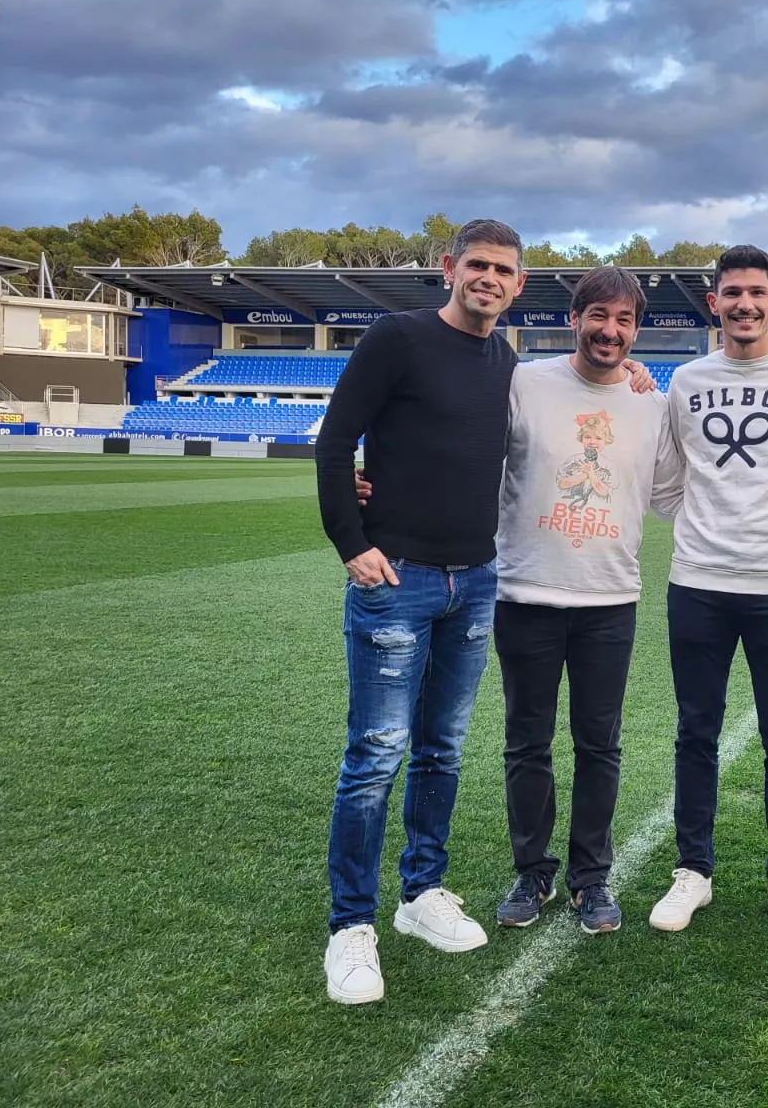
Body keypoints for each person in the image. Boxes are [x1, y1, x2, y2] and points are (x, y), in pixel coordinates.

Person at [314, 218, 525, 1005]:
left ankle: (420, 894)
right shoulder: (395, 339)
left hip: (473, 582)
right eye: (477, 264)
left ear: (518, 284)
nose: (489, 278)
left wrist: (637, 377)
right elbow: (336, 444)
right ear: (449, 268)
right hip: (394, 578)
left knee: (443, 749)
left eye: (503, 269)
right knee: (375, 753)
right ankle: (350, 927)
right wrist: (350, 540)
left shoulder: (505, 361)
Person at [648, 245, 768, 937]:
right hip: (697, 582)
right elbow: (668, 479)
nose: (745, 304)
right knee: (695, 730)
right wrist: (711, 525)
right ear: (715, 302)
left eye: (757, 292)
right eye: (732, 293)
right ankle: (692, 871)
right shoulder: (686, 381)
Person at [489, 265, 683, 935]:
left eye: (624, 319)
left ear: (636, 328)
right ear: (575, 319)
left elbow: (669, 496)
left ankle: (590, 879)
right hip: (525, 593)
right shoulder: (525, 383)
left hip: (608, 600)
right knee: (528, 742)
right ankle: (532, 871)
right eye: (598, 315)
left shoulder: (650, 405)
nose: (610, 330)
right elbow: (472, 458)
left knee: (599, 745)